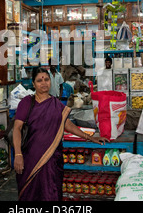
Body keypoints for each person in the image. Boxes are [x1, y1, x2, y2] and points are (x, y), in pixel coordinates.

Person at [13, 67, 109, 201]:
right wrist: (18, 154)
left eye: (46, 79)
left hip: (52, 161)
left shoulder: (55, 104)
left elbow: (67, 124)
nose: (44, 83)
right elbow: (17, 128)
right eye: (39, 80)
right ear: (33, 84)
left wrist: (90, 138)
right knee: (30, 195)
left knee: (51, 194)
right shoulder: (27, 102)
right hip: (30, 160)